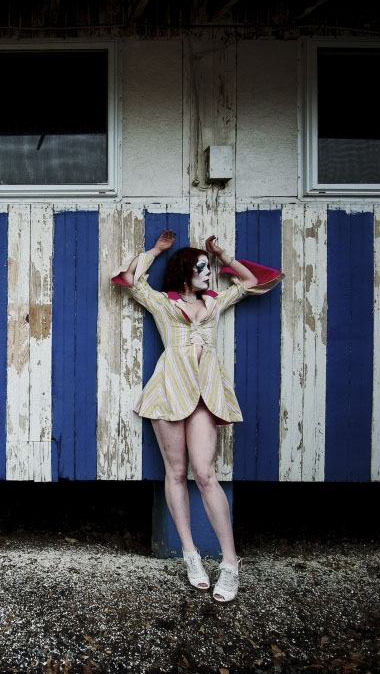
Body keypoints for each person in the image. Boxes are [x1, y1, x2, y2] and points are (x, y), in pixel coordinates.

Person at [112, 230, 282, 602]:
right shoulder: (162, 303)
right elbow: (130, 279)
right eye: (202, 268)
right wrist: (156, 250)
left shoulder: (216, 301)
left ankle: (230, 563)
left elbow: (254, 281)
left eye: (209, 268)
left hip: (206, 393)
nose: (209, 273)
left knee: (204, 474)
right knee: (175, 472)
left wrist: (223, 256)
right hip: (169, 391)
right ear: (184, 272)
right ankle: (190, 554)